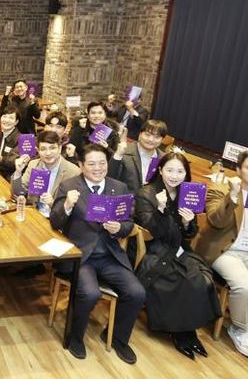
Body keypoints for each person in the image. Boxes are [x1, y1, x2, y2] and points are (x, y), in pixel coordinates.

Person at [50, 144, 145, 364]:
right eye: (91, 163)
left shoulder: (119, 187)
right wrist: (67, 205)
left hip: (109, 255)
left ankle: (118, 338)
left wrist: (119, 228)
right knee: (90, 293)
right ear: (81, 165)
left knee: (137, 292)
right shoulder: (69, 186)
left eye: (102, 163)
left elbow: (129, 223)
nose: (98, 168)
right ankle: (75, 336)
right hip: (81, 256)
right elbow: (55, 222)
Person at [133, 152, 220, 359]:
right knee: (179, 278)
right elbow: (152, 231)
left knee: (202, 277)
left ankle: (188, 330)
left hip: (179, 248)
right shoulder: (146, 193)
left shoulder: (187, 193)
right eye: (170, 170)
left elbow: (190, 233)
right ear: (160, 170)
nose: (174, 176)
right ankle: (179, 332)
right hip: (155, 249)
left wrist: (188, 223)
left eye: (180, 171)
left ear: (186, 174)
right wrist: (161, 210)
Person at [196, 150, 248, 357]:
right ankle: (240, 329)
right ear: (238, 170)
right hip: (226, 251)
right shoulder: (221, 188)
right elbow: (216, 220)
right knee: (244, 286)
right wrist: (233, 196)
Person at [12, 130, 81, 217]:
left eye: (52, 148)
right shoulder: (33, 165)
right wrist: (18, 172)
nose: (48, 153)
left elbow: (75, 210)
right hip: (34, 213)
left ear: (59, 148)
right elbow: (18, 193)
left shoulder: (73, 172)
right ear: (38, 150)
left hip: (56, 218)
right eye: (43, 149)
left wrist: (52, 203)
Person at [108, 119, 167, 193]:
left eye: (157, 137)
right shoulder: (124, 152)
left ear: (162, 139)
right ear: (140, 134)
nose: (151, 139)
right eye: (147, 135)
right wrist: (118, 155)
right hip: (125, 198)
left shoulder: (164, 158)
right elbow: (109, 179)